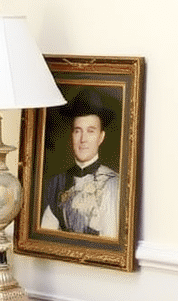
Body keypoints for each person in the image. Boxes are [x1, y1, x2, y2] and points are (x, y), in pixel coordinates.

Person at [40, 89, 120, 239]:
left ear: (101, 137)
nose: (83, 139)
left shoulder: (112, 183)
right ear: (72, 135)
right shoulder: (56, 182)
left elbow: (110, 240)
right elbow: (47, 235)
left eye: (90, 131)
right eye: (78, 131)